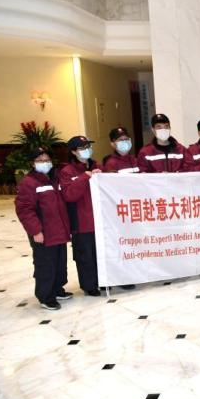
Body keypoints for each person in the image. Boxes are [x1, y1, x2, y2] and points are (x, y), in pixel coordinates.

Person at [15, 147, 72, 310]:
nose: (44, 163)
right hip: (43, 232)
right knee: (45, 264)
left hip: (58, 230)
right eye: (40, 160)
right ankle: (45, 296)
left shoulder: (54, 178)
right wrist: (36, 231)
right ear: (32, 163)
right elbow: (25, 209)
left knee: (60, 262)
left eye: (46, 160)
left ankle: (57, 289)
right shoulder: (28, 183)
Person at [59, 136, 102, 297]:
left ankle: (102, 281)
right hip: (81, 221)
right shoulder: (67, 172)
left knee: (100, 253)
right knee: (85, 255)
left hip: (99, 219)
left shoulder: (96, 165)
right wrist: (85, 177)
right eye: (82, 148)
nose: (87, 150)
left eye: (87, 147)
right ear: (73, 152)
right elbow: (69, 195)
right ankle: (89, 285)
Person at [102, 127, 139, 291]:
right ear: (112, 143)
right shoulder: (111, 163)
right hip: (120, 211)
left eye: (126, 139)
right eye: (120, 140)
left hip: (135, 208)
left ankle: (132, 273)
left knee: (134, 243)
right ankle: (122, 277)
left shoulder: (134, 159)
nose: (125, 143)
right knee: (122, 245)